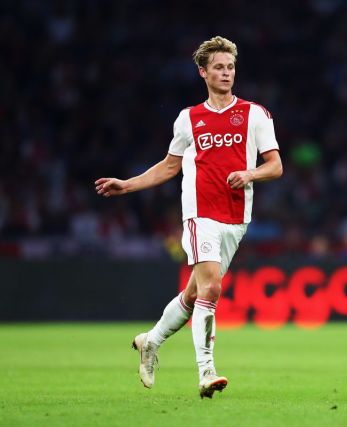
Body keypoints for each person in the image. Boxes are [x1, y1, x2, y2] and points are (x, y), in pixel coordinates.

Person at [95, 36, 283, 398]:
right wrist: (127, 185)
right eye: (219, 67)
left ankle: (151, 341)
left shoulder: (255, 114)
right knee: (211, 288)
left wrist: (250, 174)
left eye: (231, 67)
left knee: (196, 293)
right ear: (203, 72)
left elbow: (275, 166)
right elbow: (170, 166)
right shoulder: (189, 118)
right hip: (200, 214)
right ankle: (206, 371)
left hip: (236, 218)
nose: (226, 73)